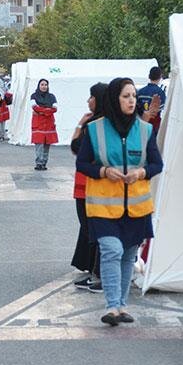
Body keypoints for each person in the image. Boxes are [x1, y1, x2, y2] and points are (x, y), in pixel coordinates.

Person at [75, 77, 163, 325]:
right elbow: (82, 163)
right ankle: (112, 306)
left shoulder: (145, 130)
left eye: (133, 96)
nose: (132, 100)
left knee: (128, 257)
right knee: (112, 251)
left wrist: (141, 173)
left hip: (136, 207)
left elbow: (157, 164)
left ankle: (122, 306)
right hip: (103, 206)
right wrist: (103, 171)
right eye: (126, 96)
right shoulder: (95, 129)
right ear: (115, 99)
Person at [70, 82, 107, 293]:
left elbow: (76, 148)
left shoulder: (95, 125)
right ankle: (93, 270)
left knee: (92, 228)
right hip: (85, 184)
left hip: (90, 186)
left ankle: (98, 273)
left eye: (91, 97)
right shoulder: (97, 122)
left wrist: (79, 126)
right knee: (89, 228)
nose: (88, 101)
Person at [30, 79, 58, 169]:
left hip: (49, 124)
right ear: (39, 86)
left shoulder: (51, 96)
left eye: (45, 84)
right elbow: (34, 107)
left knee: (47, 145)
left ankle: (44, 163)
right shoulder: (34, 96)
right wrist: (47, 110)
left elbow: (55, 108)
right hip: (38, 123)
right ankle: (39, 163)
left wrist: (42, 111)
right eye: (42, 84)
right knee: (39, 144)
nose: (44, 86)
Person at [136, 66, 167, 134]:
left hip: (141, 125)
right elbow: (163, 110)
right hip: (154, 127)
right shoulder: (160, 93)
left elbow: (137, 109)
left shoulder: (140, 91)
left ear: (149, 76)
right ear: (160, 77)